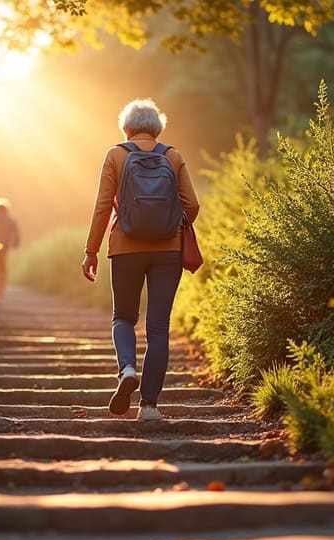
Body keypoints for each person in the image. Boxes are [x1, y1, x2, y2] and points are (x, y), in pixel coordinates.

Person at [81, 99, 200, 422]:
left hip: (125, 248)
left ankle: (127, 369)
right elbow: (192, 205)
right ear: (157, 129)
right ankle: (149, 406)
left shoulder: (116, 155)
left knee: (123, 317)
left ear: (127, 128)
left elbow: (102, 206)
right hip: (168, 250)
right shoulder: (173, 156)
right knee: (158, 327)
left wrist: (91, 251)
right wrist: (170, 223)